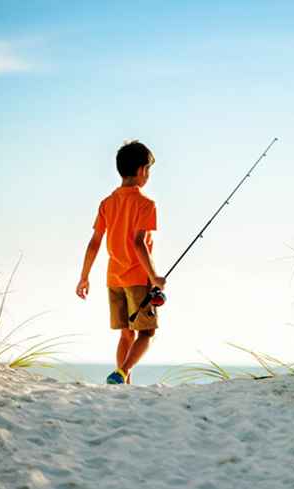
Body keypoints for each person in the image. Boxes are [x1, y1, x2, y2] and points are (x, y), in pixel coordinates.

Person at [76, 140, 166, 384]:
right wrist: (155, 277)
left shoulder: (107, 202)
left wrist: (83, 277)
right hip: (137, 277)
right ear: (141, 171)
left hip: (113, 277)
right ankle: (123, 372)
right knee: (147, 332)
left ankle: (123, 384)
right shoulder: (146, 204)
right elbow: (138, 243)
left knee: (126, 334)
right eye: (148, 170)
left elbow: (94, 242)